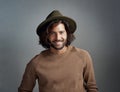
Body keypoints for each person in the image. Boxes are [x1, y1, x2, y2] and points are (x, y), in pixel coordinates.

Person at [18, 10, 98, 92]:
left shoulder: (83, 56)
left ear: (67, 33)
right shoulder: (36, 63)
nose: (58, 38)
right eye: (53, 33)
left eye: (61, 32)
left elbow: (92, 88)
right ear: (46, 36)